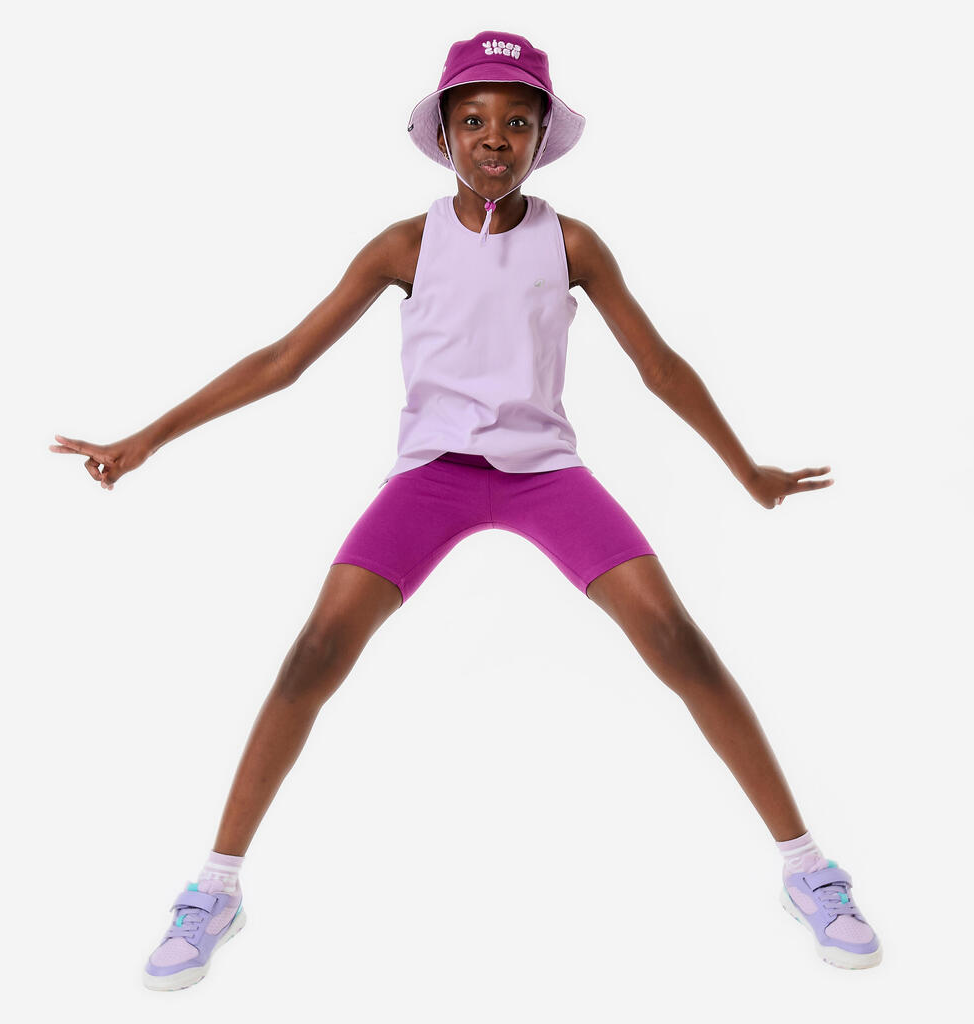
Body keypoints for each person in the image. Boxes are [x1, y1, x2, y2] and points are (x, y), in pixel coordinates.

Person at [50, 30, 881, 988]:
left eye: (517, 122)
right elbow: (283, 360)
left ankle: (809, 871)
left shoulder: (571, 243)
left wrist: (748, 471)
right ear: (443, 134)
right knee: (315, 651)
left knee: (676, 638)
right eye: (475, 120)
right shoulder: (405, 245)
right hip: (433, 477)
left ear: (541, 139)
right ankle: (215, 888)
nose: (496, 137)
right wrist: (147, 438)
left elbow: (659, 367)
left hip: (545, 474)